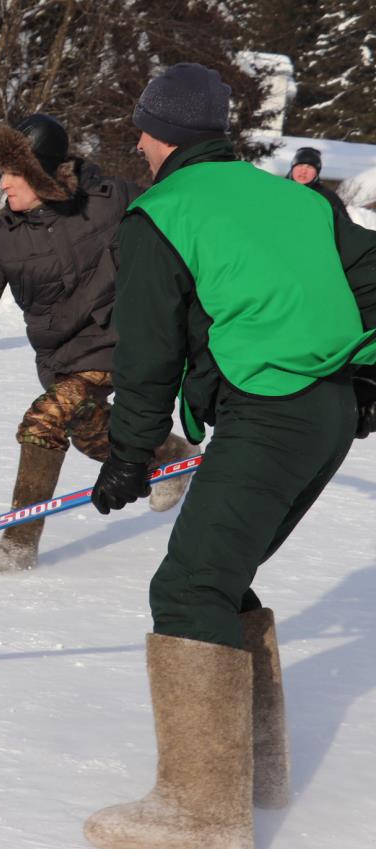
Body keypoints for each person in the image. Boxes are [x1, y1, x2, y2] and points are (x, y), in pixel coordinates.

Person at [83, 63, 376, 849]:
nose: (139, 143)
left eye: (142, 128)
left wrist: (127, 453)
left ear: (160, 133)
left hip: (270, 412)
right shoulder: (295, 197)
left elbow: (144, 357)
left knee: (187, 588)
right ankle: (255, 776)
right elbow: (374, 272)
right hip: (328, 412)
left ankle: (202, 812)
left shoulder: (161, 214)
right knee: (220, 576)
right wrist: (369, 376)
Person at [0, 114, 193, 573]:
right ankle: (171, 454)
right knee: (95, 437)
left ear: (42, 173)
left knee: (44, 420)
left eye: (14, 173)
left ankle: (18, 543)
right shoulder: (3, 240)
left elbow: (183, 215)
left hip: (124, 340)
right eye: (2, 173)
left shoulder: (110, 200)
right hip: (64, 359)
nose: (4, 184)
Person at [286, 145, 351, 221]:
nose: (304, 171)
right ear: (292, 168)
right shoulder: (278, 190)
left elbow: (346, 226)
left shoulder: (327, 197)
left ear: (317, 173)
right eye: (300, 165)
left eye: (310, 167)